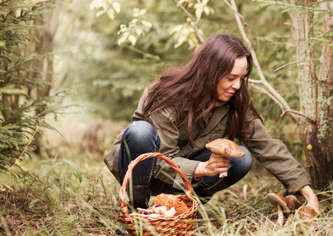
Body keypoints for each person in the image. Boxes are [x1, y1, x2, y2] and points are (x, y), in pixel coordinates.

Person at [104, 33, 320, 217]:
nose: (237, 85)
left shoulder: (236, 101)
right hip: (145, 171)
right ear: (209, 72)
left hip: (185, 179)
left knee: (242, 159)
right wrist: (200, 168)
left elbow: (268, 146)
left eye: (241, 78)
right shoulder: (165, 95)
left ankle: (183, 209)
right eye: (230, 78)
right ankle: (135, 213)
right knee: (140, 132)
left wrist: (309, 195)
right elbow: (159, 159)